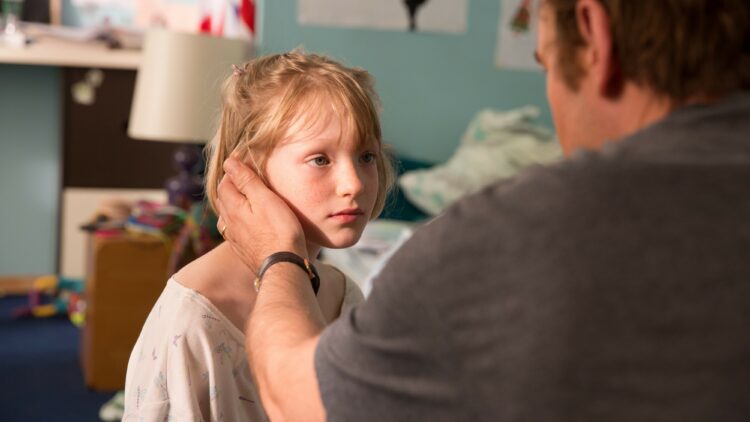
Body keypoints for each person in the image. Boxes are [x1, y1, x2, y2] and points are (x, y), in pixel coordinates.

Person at [217, 0, 750, 420]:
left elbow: (301, 401)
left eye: (545, 65)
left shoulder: (507, 239)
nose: (352, 183)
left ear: (592, 36)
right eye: (318, 159)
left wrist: (279, 258)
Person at [122, 51, 395, 421]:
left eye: (366, 157)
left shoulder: (345, 296)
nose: (354, 183)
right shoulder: (192, 321)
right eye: (320, 160)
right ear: (247, 171)